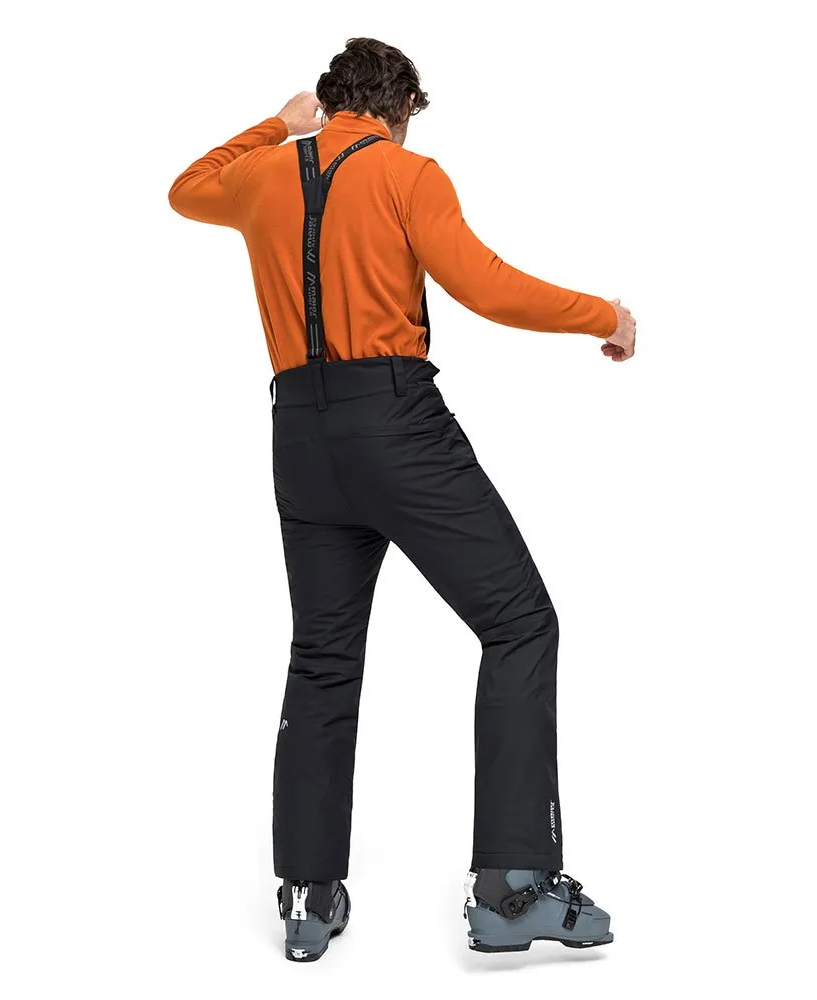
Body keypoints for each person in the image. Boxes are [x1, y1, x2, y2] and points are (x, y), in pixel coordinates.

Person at [168, 37, 635, 963]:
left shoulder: (261, 177)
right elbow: (485, 287)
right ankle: (512, 887)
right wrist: (604, 316)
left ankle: (307, 895)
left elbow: (186, 189)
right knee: (519, 623)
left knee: (322, 658)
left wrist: (277, 127)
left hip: (300, 436)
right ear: (400, 107)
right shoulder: (406, 173)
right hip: (395, 425)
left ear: (331, 100)